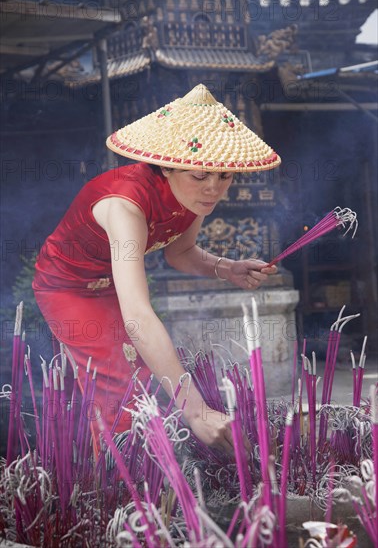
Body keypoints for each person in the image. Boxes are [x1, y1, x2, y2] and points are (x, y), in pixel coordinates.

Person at [32, 84, 281, 455]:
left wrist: (228, 269)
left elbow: (180, 253)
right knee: (122, 385)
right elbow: (138, 317)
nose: (213, 188)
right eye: (199, 176)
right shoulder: (125, 207)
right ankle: (118, 494)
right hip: (69, 287)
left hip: (113, 285)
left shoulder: (192, 198)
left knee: (148, 376)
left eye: (224, 176)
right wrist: (196, 412)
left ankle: (109, 470)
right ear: (166, 165)